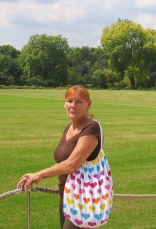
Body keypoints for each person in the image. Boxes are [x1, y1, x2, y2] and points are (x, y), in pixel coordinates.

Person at [17, 85, 102, 229]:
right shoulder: (69, 127)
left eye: (79, 102)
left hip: (82, 200)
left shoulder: (91, 128)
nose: (73, 106)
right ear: (64, 103)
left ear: (88, 104)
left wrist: (39, 174)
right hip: (67, 197)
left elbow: (71, 164)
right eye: (70, 101)